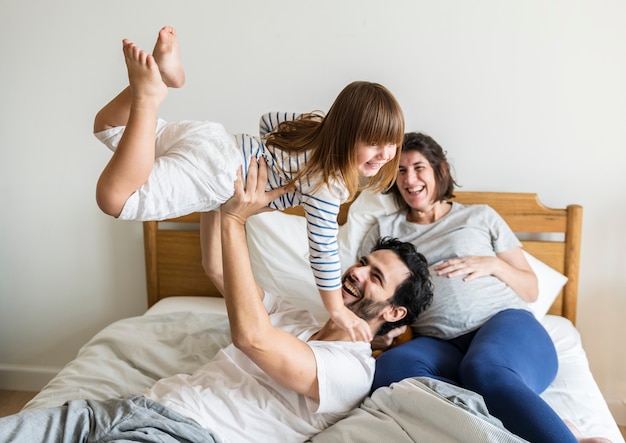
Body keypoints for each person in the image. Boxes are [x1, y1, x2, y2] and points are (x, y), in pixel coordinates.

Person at [0, 158, 433, 443]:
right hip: (132, 407)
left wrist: (235, 220)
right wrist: (216, 191)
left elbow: (252, 338)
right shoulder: (298, 314)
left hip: (184, 435)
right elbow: (219, 271)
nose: (355, 272)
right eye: (361, 262)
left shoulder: (352, 370)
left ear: (394, 312)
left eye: (374, 277)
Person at [93, 26, 405, 343]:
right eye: (374, 143)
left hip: (217, 140)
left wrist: (279, 157)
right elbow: (323, 252)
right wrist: (337, 310)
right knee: (114, 198)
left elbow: (268, 121)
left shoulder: (311, 129)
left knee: (108, 126)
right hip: (219, 175)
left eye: (391, 144)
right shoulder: (327, 184)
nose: (385, 154)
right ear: (348, 135)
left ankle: (160, 73)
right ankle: (148, 96)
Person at [360, 132, 610, 443]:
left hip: (506, 325)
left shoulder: (479, 216)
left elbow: (531, 289)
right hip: (439, 342)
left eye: (419, 167)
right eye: (400, 170)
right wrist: (383, 332)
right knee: (389, 371)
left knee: (483, 369)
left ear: (440, 170)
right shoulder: (386, 229)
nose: (410, 179)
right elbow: (373, 292)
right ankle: (540, 424)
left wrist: (492, 264)